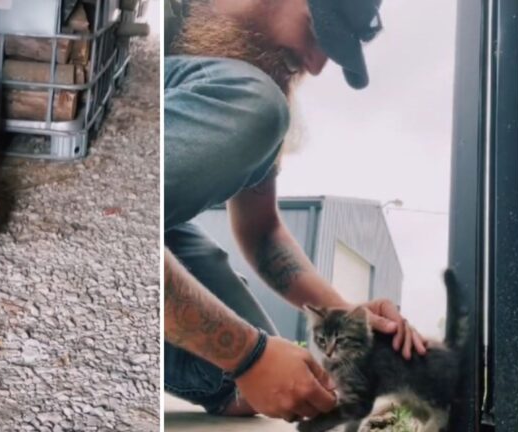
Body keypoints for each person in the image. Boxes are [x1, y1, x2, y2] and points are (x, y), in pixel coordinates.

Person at [163, 0, 428, 422]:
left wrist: (346, 314)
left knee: (262, 387)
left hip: (163, 229)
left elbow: (263, 230)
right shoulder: (168, 16)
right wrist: (246, 353)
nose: (317, 65)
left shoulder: (251, 66)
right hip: (116, 204)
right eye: (316, 31)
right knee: (261, 104)